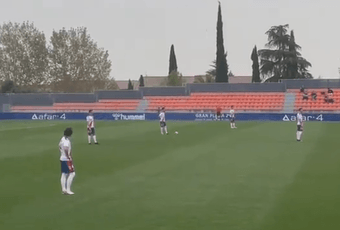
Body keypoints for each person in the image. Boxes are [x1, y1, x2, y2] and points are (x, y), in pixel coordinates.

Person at [59, 127, 76, 195]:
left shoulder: (62, 139)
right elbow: (66, 149)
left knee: (64, 174)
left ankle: (64, 189)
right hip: (66, 159)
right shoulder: (66, 141)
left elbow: (59, 147)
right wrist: (69, 157)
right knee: (72, 173)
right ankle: (68, 189)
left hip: (62, 158)